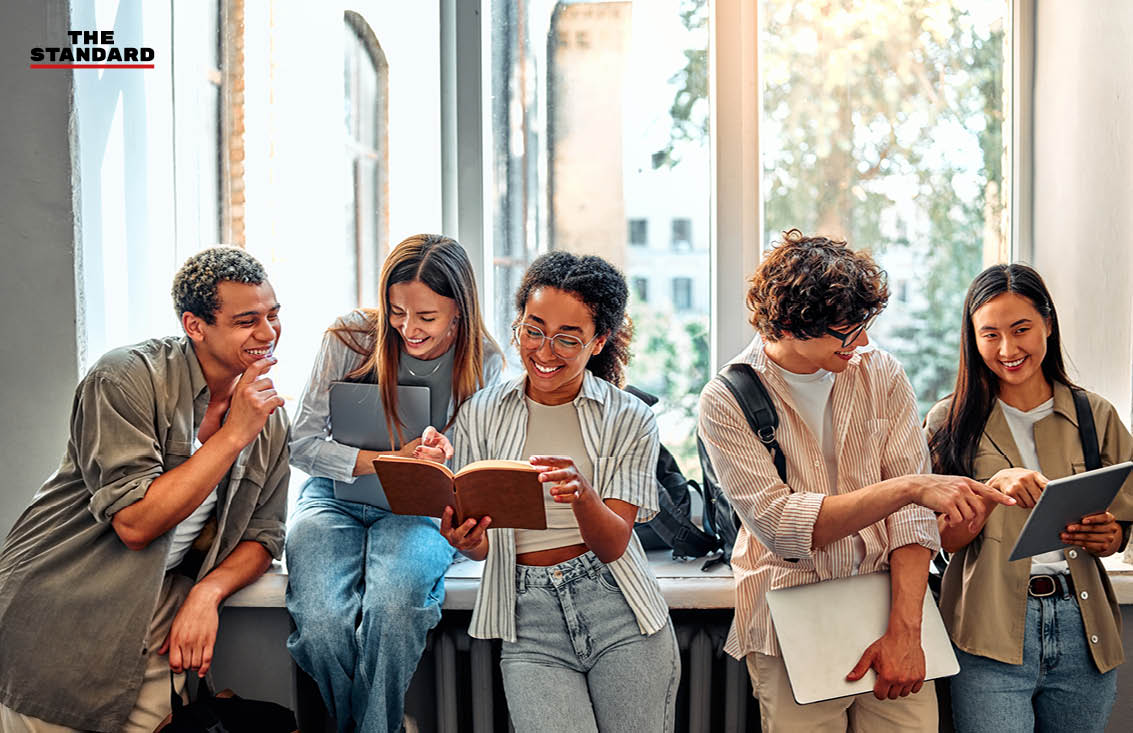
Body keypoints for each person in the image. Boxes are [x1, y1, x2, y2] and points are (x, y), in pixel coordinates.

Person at [697, 229, 1013, 732]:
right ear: (788, 326)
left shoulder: (881, 373)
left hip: (893, 607)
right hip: (790, 624)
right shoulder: (726, 399)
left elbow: (913, 523)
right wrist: (909, 486)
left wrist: (905, 631)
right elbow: (783, 529)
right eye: (847, 332)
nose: (862, 341)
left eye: (864, 326)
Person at [0, 247, 289, 732]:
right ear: (195, 325)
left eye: (273, 315)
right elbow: (136, 523)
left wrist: (206, 594)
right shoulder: (125, 377)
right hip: (62, 613)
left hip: (158, 622)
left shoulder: (268, 415)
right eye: (246, 321)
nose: (267, 333)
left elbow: (264, 535)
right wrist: (235, 434)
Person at [421, 251, 680, 732]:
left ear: (598, 342)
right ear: (518, 324)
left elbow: (614, 544)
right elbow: (481, 546)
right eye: (533, 330)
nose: (544, 351)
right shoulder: (481, 412)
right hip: (528, 619)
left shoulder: (629, 418)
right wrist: (466, 538)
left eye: (568, 338)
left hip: (620, 612)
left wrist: (583, 495)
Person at [285, 233, 502, 732]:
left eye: (426, 317)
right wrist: (386, 461)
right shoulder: (351, 337)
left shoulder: (485, 363)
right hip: (333, 500)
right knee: (320, 625)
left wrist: (441, 463)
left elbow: (471, 476)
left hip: (418, 508)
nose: (408, 328)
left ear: (459, 311)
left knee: (395, 609)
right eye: (397, 311)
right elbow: (300, 444)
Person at [924, 263, 1133, 733]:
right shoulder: (946, 422)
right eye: (990, 334)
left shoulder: (1094, 414)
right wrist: (989, 491)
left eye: (1021, 330)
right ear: (972, 339)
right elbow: (939, 542)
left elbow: (1125, 521)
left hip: (1084, 631)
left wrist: (1114, 535)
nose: (1007, 349)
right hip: (987, 634)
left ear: (1048, 325)